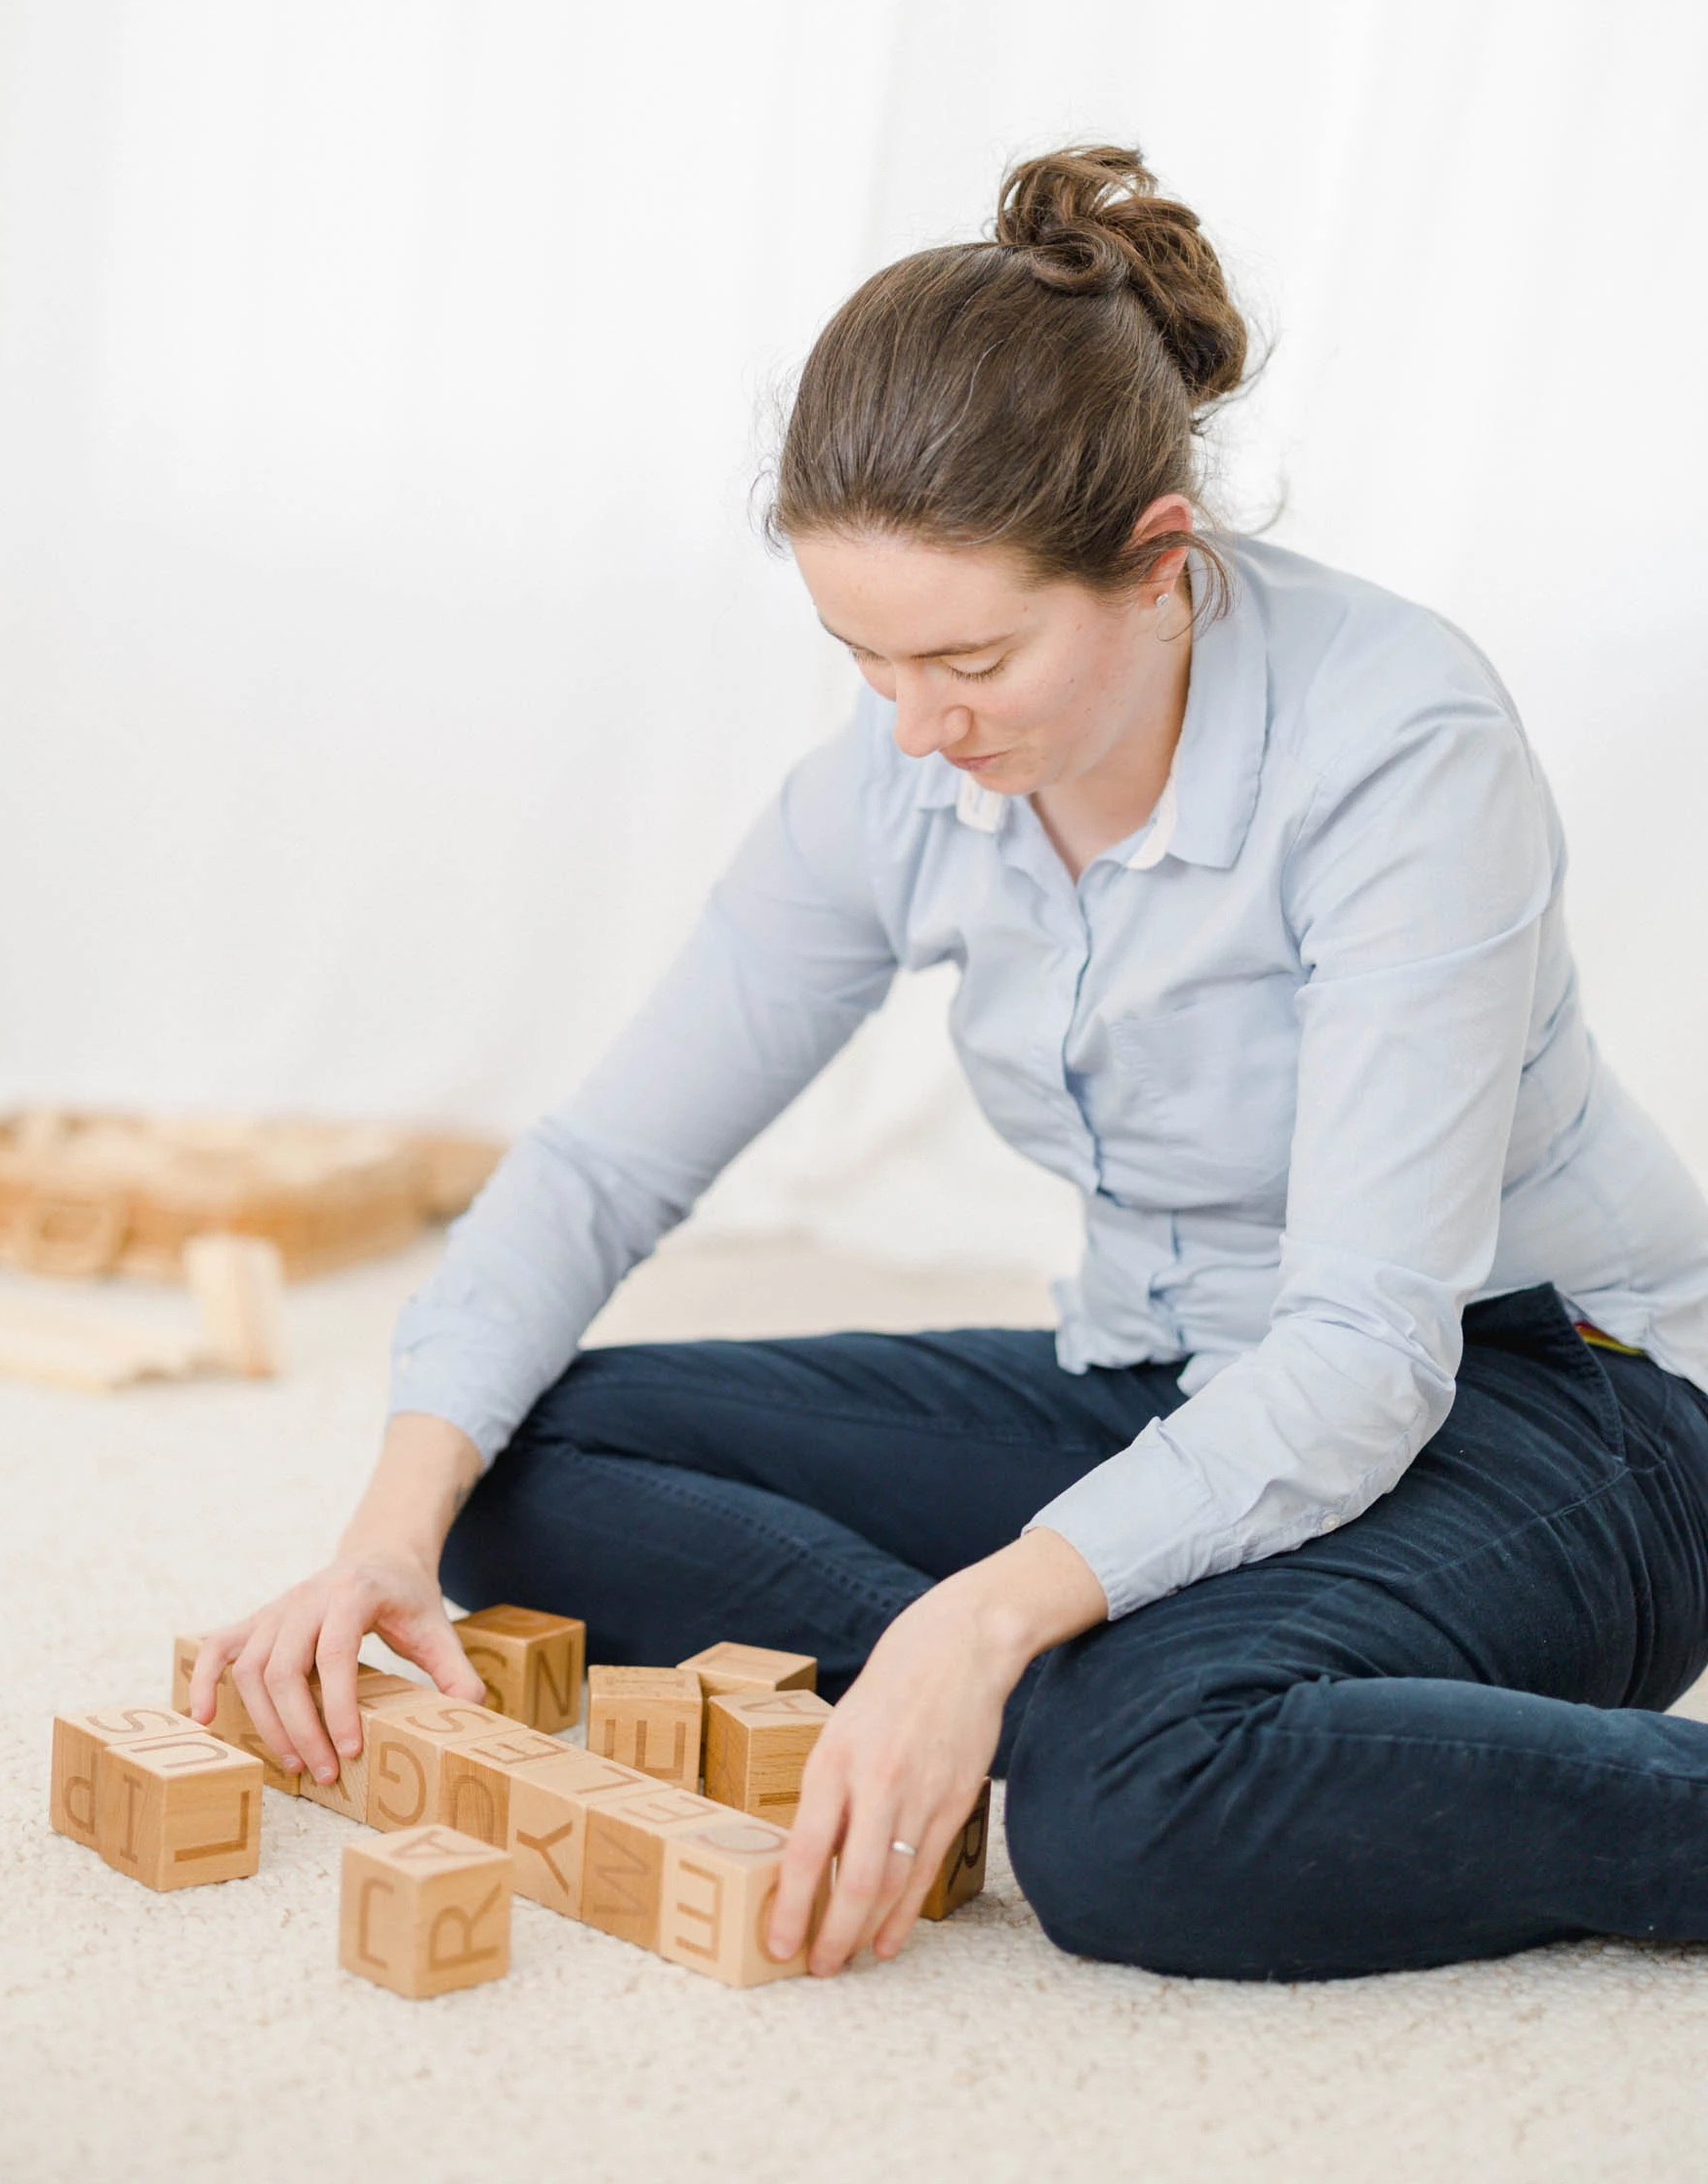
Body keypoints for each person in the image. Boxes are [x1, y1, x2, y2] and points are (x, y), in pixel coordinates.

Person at [193, 145, 1708, 1983]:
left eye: (970, 657)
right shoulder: (913, 763)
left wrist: (983, 1620)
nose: (916, 728)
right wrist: (381, 1538)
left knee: (1125, 1809)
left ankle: (1067, 1696)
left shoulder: (1402, 745)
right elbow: (603, 1168)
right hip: (1180, 1378)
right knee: (524, 1451)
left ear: (1160, 564)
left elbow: (1368, 1351)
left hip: (1562, 1408)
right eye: (864, 661)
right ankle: (1035, 1673)